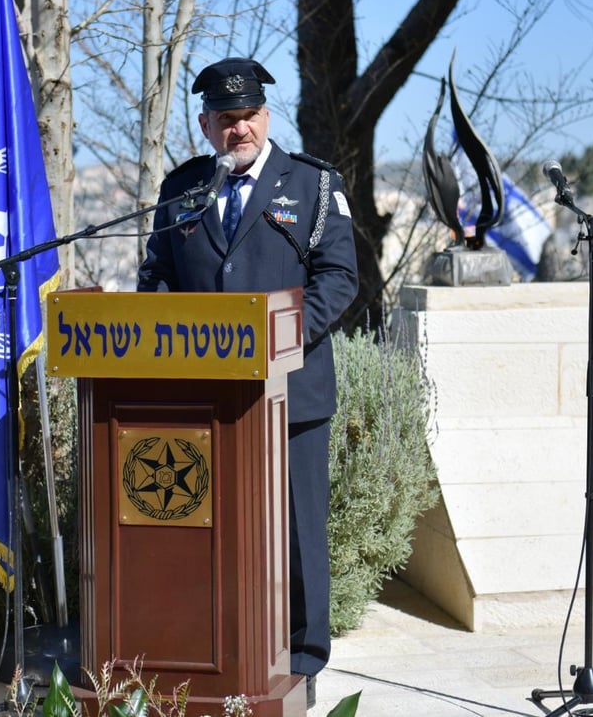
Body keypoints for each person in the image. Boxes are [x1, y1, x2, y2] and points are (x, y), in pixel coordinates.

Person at [137, 57, 359, 704]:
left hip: (293, 393)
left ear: (267, 116)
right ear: (206, 125)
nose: (241, 129)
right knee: (209, 530)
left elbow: (339, 278)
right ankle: (217, 646)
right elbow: (155, 276)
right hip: (203, 398)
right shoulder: (183, 189)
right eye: (227, 119)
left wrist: (278, 338)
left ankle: (303, 658)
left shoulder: (312, 185)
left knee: (295, 534)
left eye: (250, 116)